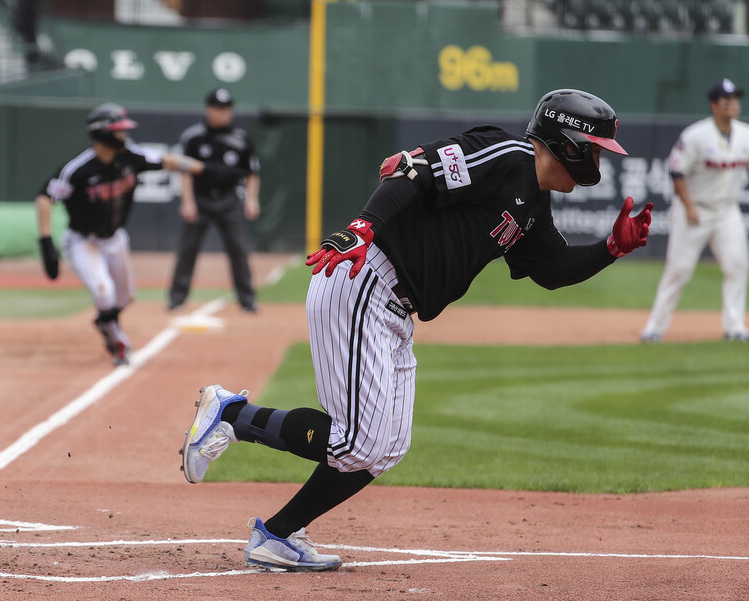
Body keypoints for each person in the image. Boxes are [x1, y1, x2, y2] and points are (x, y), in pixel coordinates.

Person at [180, 89, 653, 571]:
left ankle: (276, 536)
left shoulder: (534, 203)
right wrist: (365, 225)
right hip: (363, 278)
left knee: (384, 449)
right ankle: (232, 416)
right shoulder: (508, 156)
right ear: (568, 141)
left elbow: (552, 268)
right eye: (595, 147)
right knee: (358, 443)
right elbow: (412, 168)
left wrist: (611, 247)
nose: (599, 159)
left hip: (393, 308)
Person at [36, 103, 206, 365]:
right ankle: (117, 340)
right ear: (102, 133)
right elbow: (45, 198)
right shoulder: (78, 169)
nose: (124, 135)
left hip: (115, 239)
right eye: (118, 131)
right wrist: (46, 241)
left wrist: (202, 169)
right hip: (83, 241)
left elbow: (168, 161)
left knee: (125, 298)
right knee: (104, 293)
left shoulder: (131, 156)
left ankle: (104, 319)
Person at [641, 78, 749, 342]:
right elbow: (677, 171)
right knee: (679, 269)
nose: (733, 104)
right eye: (727, 99)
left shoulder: (745, 134)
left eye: (735, 99)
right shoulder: (696, 135)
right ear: (714, 105)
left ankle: (735, 327)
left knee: (737, 266)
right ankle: (655, 327)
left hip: (727, 211)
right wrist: (688, 206)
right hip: (695, 209)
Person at [167, 88, 261, 313]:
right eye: (219, 109)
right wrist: (187, 202)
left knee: (238, 250)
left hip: (229, 200)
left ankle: (247, 301)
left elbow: (252, 173)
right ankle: (177, 299)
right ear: (208, 110)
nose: (224, 113)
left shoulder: (241, 138)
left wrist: (252, 200)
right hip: (200, 200)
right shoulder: (194, 136)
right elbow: (185, 171)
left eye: (228, 108)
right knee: (187, 249)